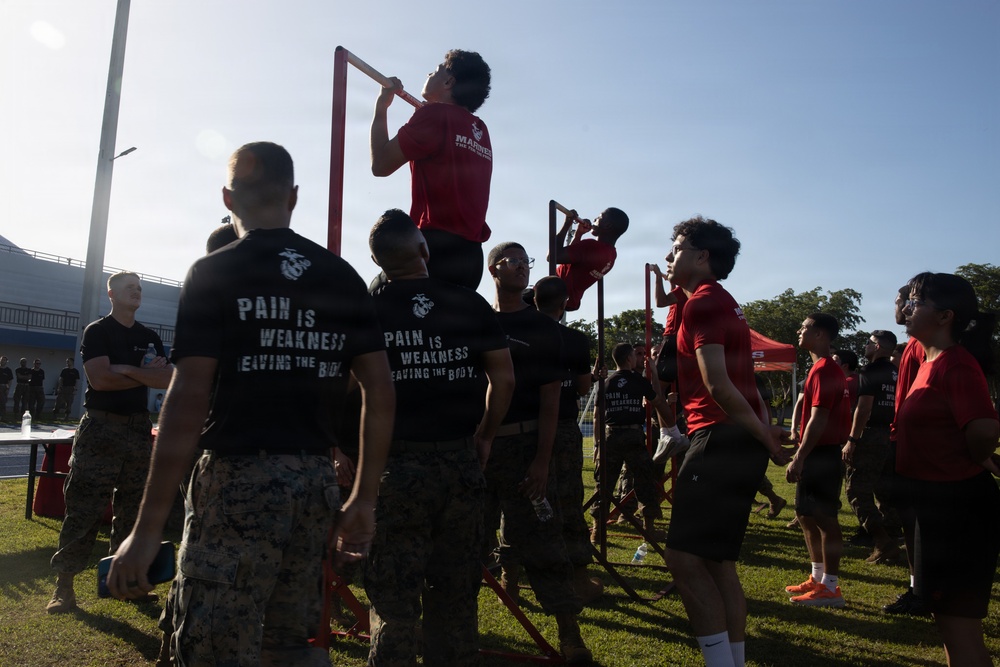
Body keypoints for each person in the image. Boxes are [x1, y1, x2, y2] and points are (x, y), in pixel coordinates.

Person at [107, 141, 395, 666]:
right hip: (313, 484)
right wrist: (365, 500)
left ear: (227, 198)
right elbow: (381, 390)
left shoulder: (215, 272)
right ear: (294, 196)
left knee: (212, 645)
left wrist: (147, 531)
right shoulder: (341, 276)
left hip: (238, 481)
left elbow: (189, 397)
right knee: (288, 641)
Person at [364, 209, 514, 665]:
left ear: (379, 261)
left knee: (394, 595)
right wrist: (485, 436)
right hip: (458, 460)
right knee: (455, 588)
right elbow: (504, 381)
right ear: (424, 250)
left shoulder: (369, 310)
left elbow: (345, 388)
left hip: (395, 466)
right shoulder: (468, 303)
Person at [661, 217, 788, 667]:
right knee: (719, 564)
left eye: (675, 249)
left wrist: (766, 439)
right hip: (736, 439)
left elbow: (719, 385)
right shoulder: (722, 301)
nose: (668, 257)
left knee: (683, 559)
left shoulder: (703, 305)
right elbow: (746, 383)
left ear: (702, 256)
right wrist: (764, 432)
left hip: (719, 437)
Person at [486, 241, 592, 664]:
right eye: (512, 260)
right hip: (480, 445)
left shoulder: (544, 329)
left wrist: (543, 461)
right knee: (465, 540)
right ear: (493, 268)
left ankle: (570, 635)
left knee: (547, 542)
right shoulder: (476, 320)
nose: (521, 267)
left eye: (525, 261)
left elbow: (552, 401)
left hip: (527, 444)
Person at [46, 271, 174, 614]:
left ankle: (126, 583)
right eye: (130, 288)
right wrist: (140, 374)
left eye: (139, 288)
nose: (137, 292)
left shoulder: (148, 336)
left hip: (137, 432)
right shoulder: (98, 331)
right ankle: (64, 588)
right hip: (101, 431)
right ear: (111, 294)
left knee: (132, 511)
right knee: (84, 510)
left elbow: (166, 378)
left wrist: (127, 369)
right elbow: (100, 380)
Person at [895, 272, 1000, 666]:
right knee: (947, 622)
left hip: (958, 506)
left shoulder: (956, 365)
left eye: (917, 302)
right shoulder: (927, 360)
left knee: (959, 626)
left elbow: (985, 427)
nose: (907, 307)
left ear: (945, 317)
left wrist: (975, 458)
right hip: (935, 504)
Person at [370, 50, 493, 290]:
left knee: (377, 296)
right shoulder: (480, 129)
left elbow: (380, 165)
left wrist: (382, 105)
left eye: (436, 71)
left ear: (449, 82)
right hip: (470, 258)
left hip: (433, 251)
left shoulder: (434, 114)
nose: (429, 74)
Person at [533, 275, 604, 604]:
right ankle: (577, 577)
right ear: (564, 304)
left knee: (526, 503)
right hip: (560, 426)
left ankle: (510, 576)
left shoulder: (522, 333)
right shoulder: (574, 339)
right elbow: (582, 387)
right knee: (569, 501)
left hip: (525, 425)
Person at [785, 313, 851, 608]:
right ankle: (818, 576)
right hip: (816, 452)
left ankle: (831, 588)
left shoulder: (825, 369)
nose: (800, 330)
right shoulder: (819, 369)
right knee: (806, 515)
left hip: (822, 454)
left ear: (821, 334)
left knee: (825, 518)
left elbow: (819, 418)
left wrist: (800, 456)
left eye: (805, 326)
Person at [592, 342, 672, 542]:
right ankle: (649, 529)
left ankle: (597, 530)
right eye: (636, 356)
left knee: (604, 483)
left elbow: (597, 415)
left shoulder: (607, 382)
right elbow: (657, 400)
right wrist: (653, 373)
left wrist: (596, 444)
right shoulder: (638, 380)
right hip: (633, 436)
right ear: (629, 359)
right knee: (645, 480)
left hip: (610, 436)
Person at [883, 284, 929, 616]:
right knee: (909, 519)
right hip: (903, 439)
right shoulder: (912, 344)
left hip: (915, 443)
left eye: (903, 302)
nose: (900, 308)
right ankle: (918, 585)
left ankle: (922, 590)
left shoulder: (920, 347)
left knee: (916, 520)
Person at [841, 329, 901, 564]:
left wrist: (852, 440)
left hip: (871, 435)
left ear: (877, 347)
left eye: (869, 342)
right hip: (891, 435)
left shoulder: (870, 371)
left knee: (856, 491)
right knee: (885, 490)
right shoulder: (897, 372)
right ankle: (892, 535)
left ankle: (882, 542)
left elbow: (864, 408)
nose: (865, 346)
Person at [549, 207, 629, 311]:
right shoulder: (612, 255)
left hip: (551, 296)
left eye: (599, 218)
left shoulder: (592, 246)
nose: (594, 219)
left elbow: (552, 256)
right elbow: (573, 259)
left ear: (607, 225)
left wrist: (566, 225)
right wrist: (578, 234)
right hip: (567, 301)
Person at [832, 348, 859, 413]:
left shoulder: (846, 384)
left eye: (834, 361)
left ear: (845, 366)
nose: (831, 364)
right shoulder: (860, 380)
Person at [0, 355, 12, 420]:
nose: (2, 361)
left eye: (4, 360)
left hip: (4, 387)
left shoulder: (8, 370)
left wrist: (7, 388)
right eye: (1, 359)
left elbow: (10, 380)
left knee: (3, 402)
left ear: (6, 361)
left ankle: (3, 417)